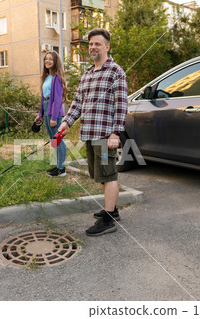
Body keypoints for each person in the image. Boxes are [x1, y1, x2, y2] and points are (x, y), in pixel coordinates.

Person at [57, 28, 128, 236]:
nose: (93, 47)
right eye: (90, 44)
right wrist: (66, 123)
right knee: (100, 175)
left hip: (105, 134)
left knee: (109, 173)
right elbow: (78, 103)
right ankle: (112, 211)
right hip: (89, 132)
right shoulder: (87, 73)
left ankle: (108, 221)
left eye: (97, 44)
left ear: (107, 47)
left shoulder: (116, 71)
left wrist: (116, 133)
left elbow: (121, 104)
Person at [35, 50, 68, 177]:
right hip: (47, 107)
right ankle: (58, 166)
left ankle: (61, 169)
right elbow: (44, 98)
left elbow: (58, 99)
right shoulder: (47, 78)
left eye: (50, 59)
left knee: (58, 140)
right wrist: (40, 114)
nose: (47, 61)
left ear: (55, 62)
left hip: (55, 111)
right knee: (53, 140)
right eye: (46, 59)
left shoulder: (57, 78)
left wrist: (54, 117)